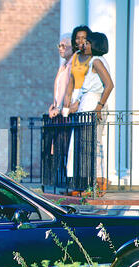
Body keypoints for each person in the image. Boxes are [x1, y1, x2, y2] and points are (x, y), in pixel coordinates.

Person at [67, 32, 114, 190]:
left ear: (94, 45)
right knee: (93, 144)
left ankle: (91, 183)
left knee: (88, 144)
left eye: (87, 43)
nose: (83, 45)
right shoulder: (99, 60)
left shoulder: (96, 61)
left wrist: (98, 106)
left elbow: (109, 84)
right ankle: (92, 182)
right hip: (90, 102)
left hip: (93, 103)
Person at [63, 25, 93, 113]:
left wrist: (79, 101)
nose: (80, 41)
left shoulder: (93, 57)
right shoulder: (76, 55)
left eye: (84, 38)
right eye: (77, 38)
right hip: (74, 96)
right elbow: (71, 79)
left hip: (87, 96)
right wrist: (67, 98)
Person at [48, 33, 73, 118]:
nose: (60, 49)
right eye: (59, 46)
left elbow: (69, 90)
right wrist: (55, 107)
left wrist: (59, 109)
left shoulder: (73, 65)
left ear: (72, 47)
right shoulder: (63, 65)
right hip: (58, 112)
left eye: (64, 46)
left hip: (66, 112)